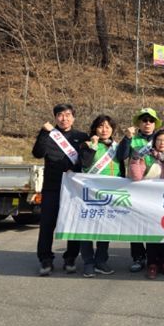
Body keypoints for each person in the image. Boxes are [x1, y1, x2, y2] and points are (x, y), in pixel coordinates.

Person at [33, 103, 89, 276]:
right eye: (60, 115)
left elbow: (87, 160)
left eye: (68, 115)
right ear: (55, 117)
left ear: (73, 117)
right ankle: (45, 259)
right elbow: (37, 153)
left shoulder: (81, 136)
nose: (64, 118)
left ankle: (70, 258)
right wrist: (44, 132)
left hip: (73, 189)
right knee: (47, 225)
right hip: (52, 187)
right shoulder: (49, 134)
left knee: (73, 224)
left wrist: (76, 168)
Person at [130, 128, 164, 279]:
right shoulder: (146, 157)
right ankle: (152, 264)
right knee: (152, 233)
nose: (162, 143)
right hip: (150, 202)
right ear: (154, 142)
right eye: (159, 140)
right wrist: (135, 159)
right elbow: (136, 176)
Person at [116, 107, 162, 273]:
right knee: (135, 222)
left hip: (156, 187)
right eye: (144, 120)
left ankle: (158, 257)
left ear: (155, 123)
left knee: (155, 222)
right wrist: (127, 138)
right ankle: (138, 256)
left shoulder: (161, 139)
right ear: (139, 123)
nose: (147, 123)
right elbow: (121, 156)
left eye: (151, 120)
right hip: (136, 187)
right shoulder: (132, 139)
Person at [78, 115, 123, 278]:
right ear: (95, 129)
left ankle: (101, 260)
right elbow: (84, 163)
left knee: (105, 227)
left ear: (112, 130)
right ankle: (88, 262)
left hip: (110, 192)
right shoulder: (87, 144)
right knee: (87, 228)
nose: (104, 130)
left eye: (108, 127)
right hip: (90, 192)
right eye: (101, 126)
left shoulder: (116, 147)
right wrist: (93, 146)